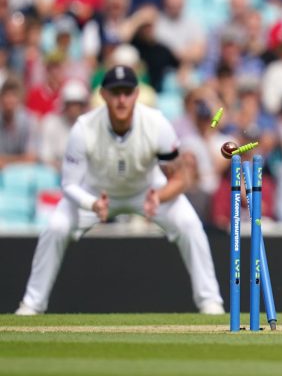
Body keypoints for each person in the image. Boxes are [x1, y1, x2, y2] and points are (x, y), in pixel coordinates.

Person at [15, 65, 225, 316]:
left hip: (147, 190)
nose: (122, 99)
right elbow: (69, 184)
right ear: (103, 95)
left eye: (127, 92)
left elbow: (181, 178)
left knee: (189, 224)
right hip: (95, 193)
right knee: (56, 227)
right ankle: (31, 305)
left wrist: (158, 196)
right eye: (116, 93)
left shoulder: (156, 123)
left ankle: (210, 302)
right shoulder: (84, 128)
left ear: (136, 94)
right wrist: (91, 204)